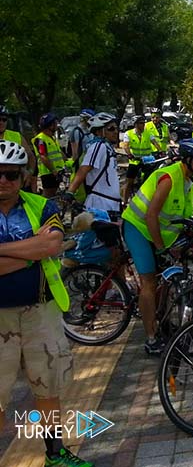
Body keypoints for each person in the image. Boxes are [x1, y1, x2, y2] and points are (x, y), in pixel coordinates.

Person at [0, 140, 94, 467]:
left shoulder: (42, 207)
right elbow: (41, 249)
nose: (3, 181)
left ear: (24, 176)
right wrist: (32, 252)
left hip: (41, 312)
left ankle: (55, 454)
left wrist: (24, 251)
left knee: (48, 386)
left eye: (11, 175)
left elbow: (52, 246)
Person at [122, 138, 193, 354]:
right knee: (149, 282)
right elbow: (151, 215)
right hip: (138, 228)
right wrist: (161, 246)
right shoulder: (169, 178)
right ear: (189, 160)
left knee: (168, 277)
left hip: (158, 233)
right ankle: (151, 338)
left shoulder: (190, 182)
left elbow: (182, 219)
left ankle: (162, 321)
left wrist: (191, 241)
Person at [65, 113, 121, 213]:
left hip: (111, 204)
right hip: (100, 205)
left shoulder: (107, 148)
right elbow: (84, 169)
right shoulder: (98, 146)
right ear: (99, 131)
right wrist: (70, 192)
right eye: (111, 129)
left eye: (116, 128)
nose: (115, 132)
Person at [121, 116, 157, 204]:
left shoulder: (148, 133)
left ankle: (147, 200)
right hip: (134, 161)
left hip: (147, 160)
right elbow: (126, 145)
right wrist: (129, 154)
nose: (143, 125)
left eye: (144, 123)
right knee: (129, 182)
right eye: (141, 123)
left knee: (149, 180)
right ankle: (125, 202)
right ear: (135, 124)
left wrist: (160, 151)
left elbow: (155, 142)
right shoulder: (128, 133)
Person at [0, 108, 37, 191]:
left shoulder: (16, 136)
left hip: (14, 180)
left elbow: (31, 157)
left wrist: (29, 172)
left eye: (4, 119)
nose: (1, 122)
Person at [32, 113, 67, 198]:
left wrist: (67, 161)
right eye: (55, 123)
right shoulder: (40, 139)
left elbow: (58, 152)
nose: (57, 125)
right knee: (48, 195)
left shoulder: (51, 137)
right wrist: (54, 171)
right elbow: (43, 156)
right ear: (50, 125)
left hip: (57, 171)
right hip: (48, 173)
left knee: (54, 194)